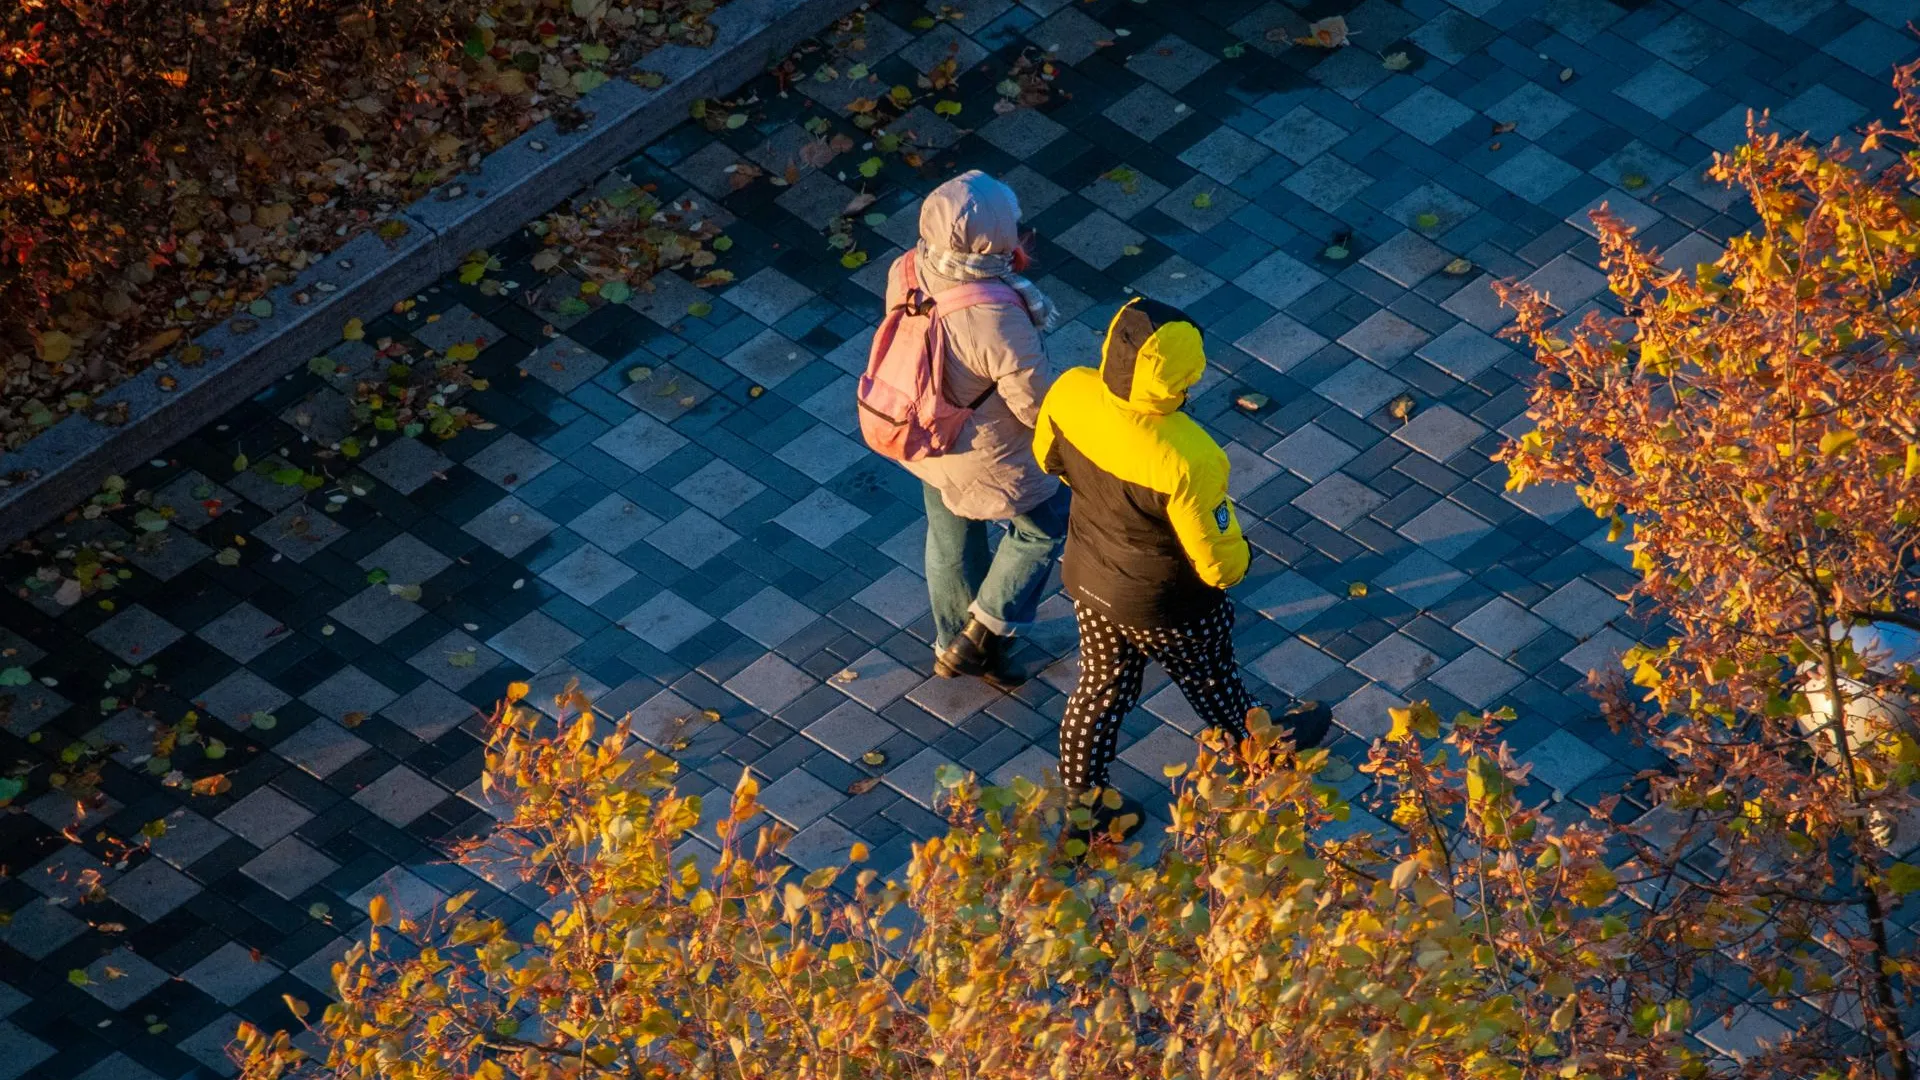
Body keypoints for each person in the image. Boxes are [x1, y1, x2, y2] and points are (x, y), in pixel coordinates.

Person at [1033, 297, 1332, 835]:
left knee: (1100, 687)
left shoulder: (1070, 390)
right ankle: (1260, 751)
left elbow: (1049, 461)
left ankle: (1083, 806)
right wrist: (1239, 563)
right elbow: (1217, 562)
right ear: (1182, 374)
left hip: (1090, 574)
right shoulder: (1189, 455)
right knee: (1211, 676)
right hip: (1166, 601)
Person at [882, 171, 1070, 686]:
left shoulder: (909, 267)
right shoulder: (994, 315)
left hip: (921, 434)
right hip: (989, 453)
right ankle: (983, 632)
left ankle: (951, 641)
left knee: (950, 535)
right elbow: (1035, 406)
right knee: (1043, 526)